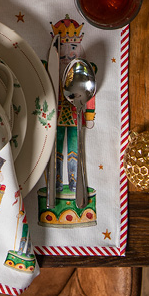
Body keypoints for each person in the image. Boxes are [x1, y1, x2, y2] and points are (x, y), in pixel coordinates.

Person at [50, 15, 96, 194]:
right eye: (65, 47)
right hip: (57, 115)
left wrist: (90, 115)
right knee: (56, 150)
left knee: (75, 150)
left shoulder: (81, 71)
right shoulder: (54, 69)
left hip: (77, 116)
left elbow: (89, 94)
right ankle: (57, 184)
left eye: (74, 47)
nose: (69, 52)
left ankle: (76, 184)